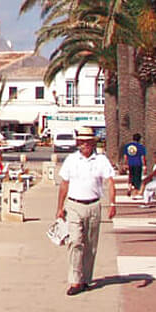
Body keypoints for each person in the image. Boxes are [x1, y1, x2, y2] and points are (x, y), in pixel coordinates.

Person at [56, 125, 117, 295]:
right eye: (81, 142)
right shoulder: (71, 160)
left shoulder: (101, 160)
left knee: (90, 245)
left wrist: (112, 204)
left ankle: (86, 279)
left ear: (92, 143)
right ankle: (75, 280)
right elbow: (64, 184)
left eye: (87, 142)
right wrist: (60, 208)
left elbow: (110, 182)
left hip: (94, 205)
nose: (84, 145)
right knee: (75, 241)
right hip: (74, 205)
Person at [122, 132, 146, 197]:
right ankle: (135, 192)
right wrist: (144, 165)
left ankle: (129, 187)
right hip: (138, 164)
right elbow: (143, 157)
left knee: (131, 176)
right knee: (137, 178)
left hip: (130, 163)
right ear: (139, 139)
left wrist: (125, 164)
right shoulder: (141, 146)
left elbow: (125, 156)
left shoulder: (128, 146)